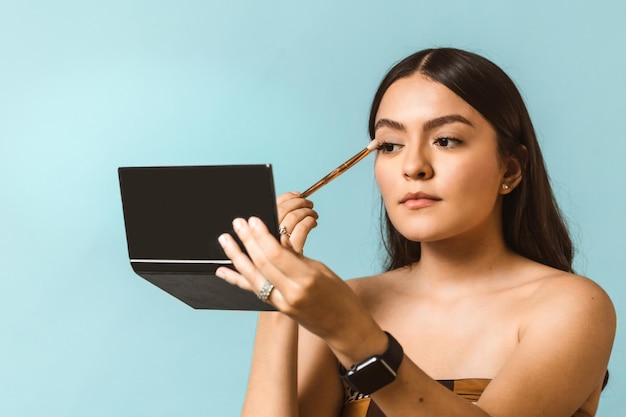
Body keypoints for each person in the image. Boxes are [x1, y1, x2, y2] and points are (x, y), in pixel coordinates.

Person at [215, 47, 616, 417]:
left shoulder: (572, 307)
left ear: (509, 169)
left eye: (446, 140)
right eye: (390, 145)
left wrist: (354, 334)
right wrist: (277, 299)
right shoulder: (339, 300)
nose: (414, 166)